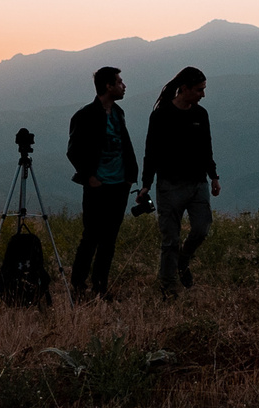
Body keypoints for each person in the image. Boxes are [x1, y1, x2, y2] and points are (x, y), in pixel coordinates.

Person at [143, 66, 219, 295]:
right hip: (170, 185)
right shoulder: (161, 115)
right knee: (170, 240)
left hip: (198, 183)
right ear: (184, 89)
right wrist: (146, 183)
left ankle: (182, 262)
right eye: (199, 90)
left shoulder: (200, 114)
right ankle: (168, 287)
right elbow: (151, 151)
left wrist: (213, 176)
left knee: (201, 229)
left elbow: (207, 147)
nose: (202, 95)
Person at [64, 66, 139, 300]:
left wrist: (129, 178)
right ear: (108, 85)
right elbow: (73, 151)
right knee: (91, 236)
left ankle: (100, 286)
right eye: (119, 82)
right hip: (98, 185)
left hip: (119, 184)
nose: (124, 86)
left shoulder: (119, 113)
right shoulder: (85, 115)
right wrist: (89, 177)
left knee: (109, 238)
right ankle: (78, 285)